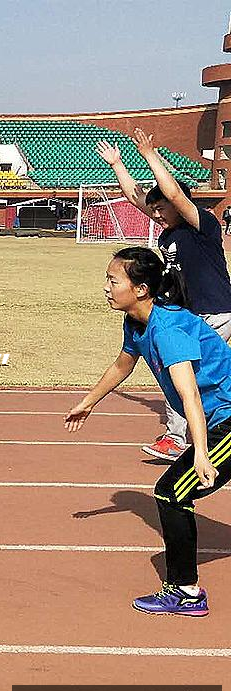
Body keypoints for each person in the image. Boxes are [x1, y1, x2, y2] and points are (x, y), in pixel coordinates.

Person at [65, 247, 231, 617]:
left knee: (172, 493)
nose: (106, 287)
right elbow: (122, 365)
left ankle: (187, 593)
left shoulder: (169, 330)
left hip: (228, 421)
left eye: (113, 281)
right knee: (173, 493)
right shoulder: (137, 322)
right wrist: (88, 402)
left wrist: (200, 453)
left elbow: (189, 396)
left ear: (140, 289)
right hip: (218, 419)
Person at [98, 130, 231, 462]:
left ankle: (177, 438)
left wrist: (149, 154)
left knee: (179, 367)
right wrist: (117, 165)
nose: (155, 215)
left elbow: (171, 191)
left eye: (161, 209)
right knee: (190, 371)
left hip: (215, 311)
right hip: (188, 314)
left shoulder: (201, 225)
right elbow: (135, 197)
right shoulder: (168, 231)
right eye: (154, 210)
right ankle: (196, 432)